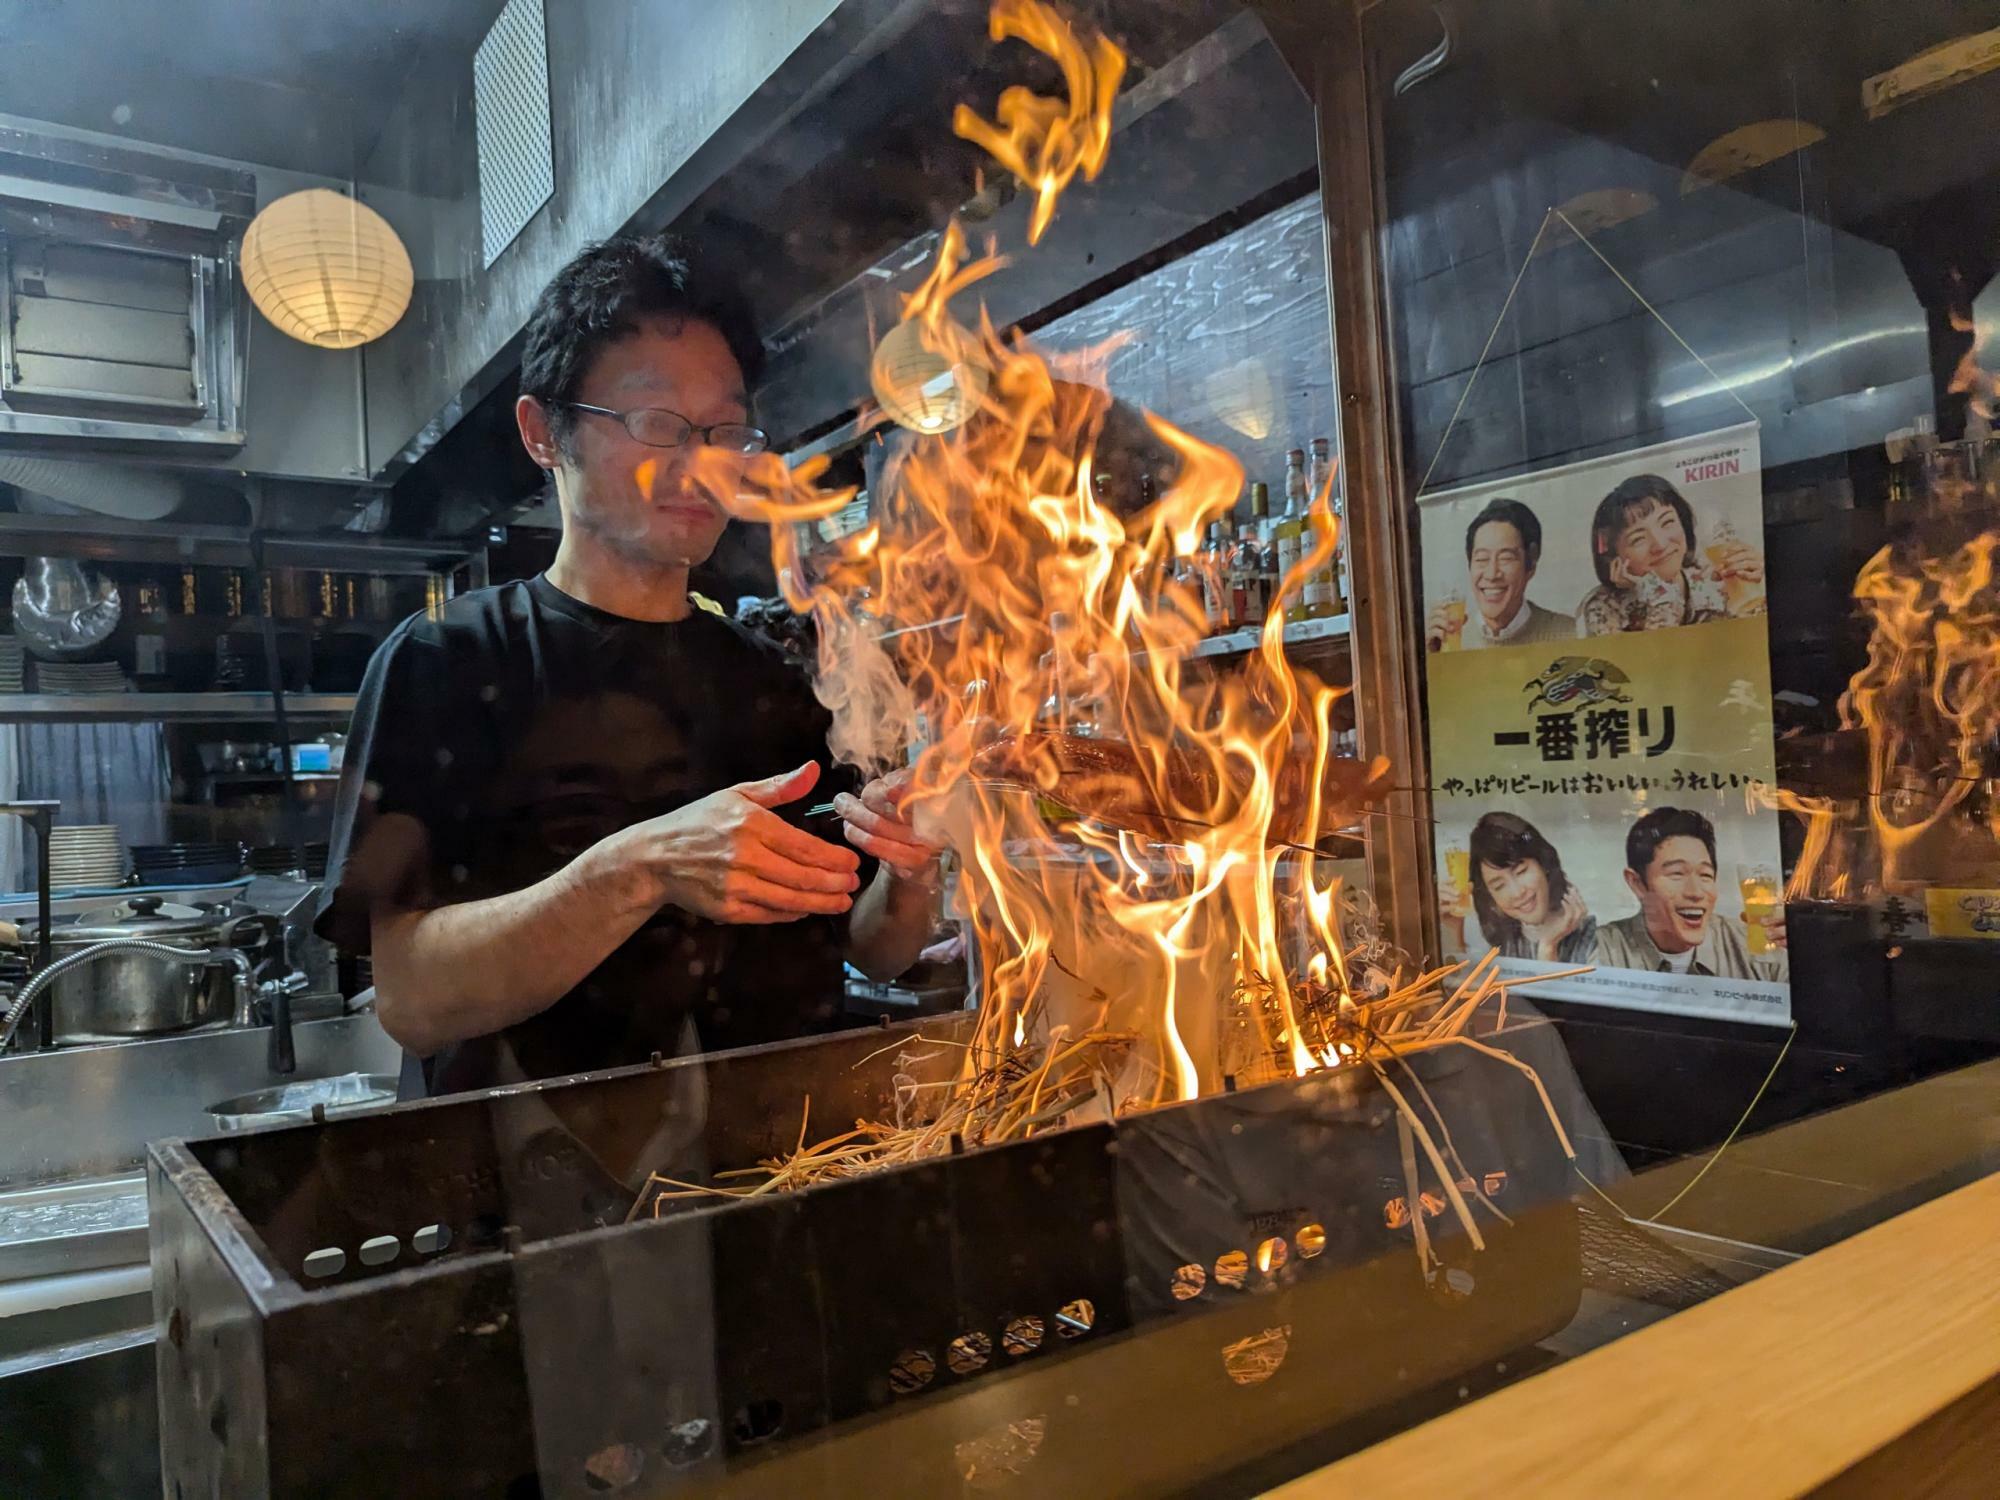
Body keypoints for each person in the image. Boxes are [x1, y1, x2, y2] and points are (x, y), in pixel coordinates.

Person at [317, 233, 941, 1096]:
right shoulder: (446, 664)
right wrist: (638, 869)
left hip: (786, 1174)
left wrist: (908, 880)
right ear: (545, 433)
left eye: (726, 430)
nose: (701, 464)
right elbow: (415, 1001)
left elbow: (870, 945)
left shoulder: (777, 678)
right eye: (657, 423)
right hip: (548, 1202)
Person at [1596, 807, 1787, 980]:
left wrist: (1800, 950)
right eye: (1677, 873)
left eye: (1705, 875)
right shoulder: (1602, 949)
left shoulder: (1753, 945)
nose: (1695, 893)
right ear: (1637, 883)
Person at [1575, 474, 1763, 635]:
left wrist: (1762, 584)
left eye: (1667, 523)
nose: (1660, 544)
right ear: (1614, 558)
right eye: (1638, 539)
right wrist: (1659, 594)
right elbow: (1657, 666)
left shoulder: (1710, 575)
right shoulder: (1603, 609)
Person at [1425, 498, 1575, 651]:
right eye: (1482, 559)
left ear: (1531, 565)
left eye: (1506, 558)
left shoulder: (1570, 633)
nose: (1491, 574)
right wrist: (1433, 659)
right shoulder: (1452, 640)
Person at [1455, 811, 1596, 963]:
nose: (1517, 893)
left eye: (1521, 872)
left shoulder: (1596, 939)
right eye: (1499, 886)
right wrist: (1452, 928)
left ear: (1544, 865)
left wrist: (1548, 948)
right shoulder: (1504, 944)